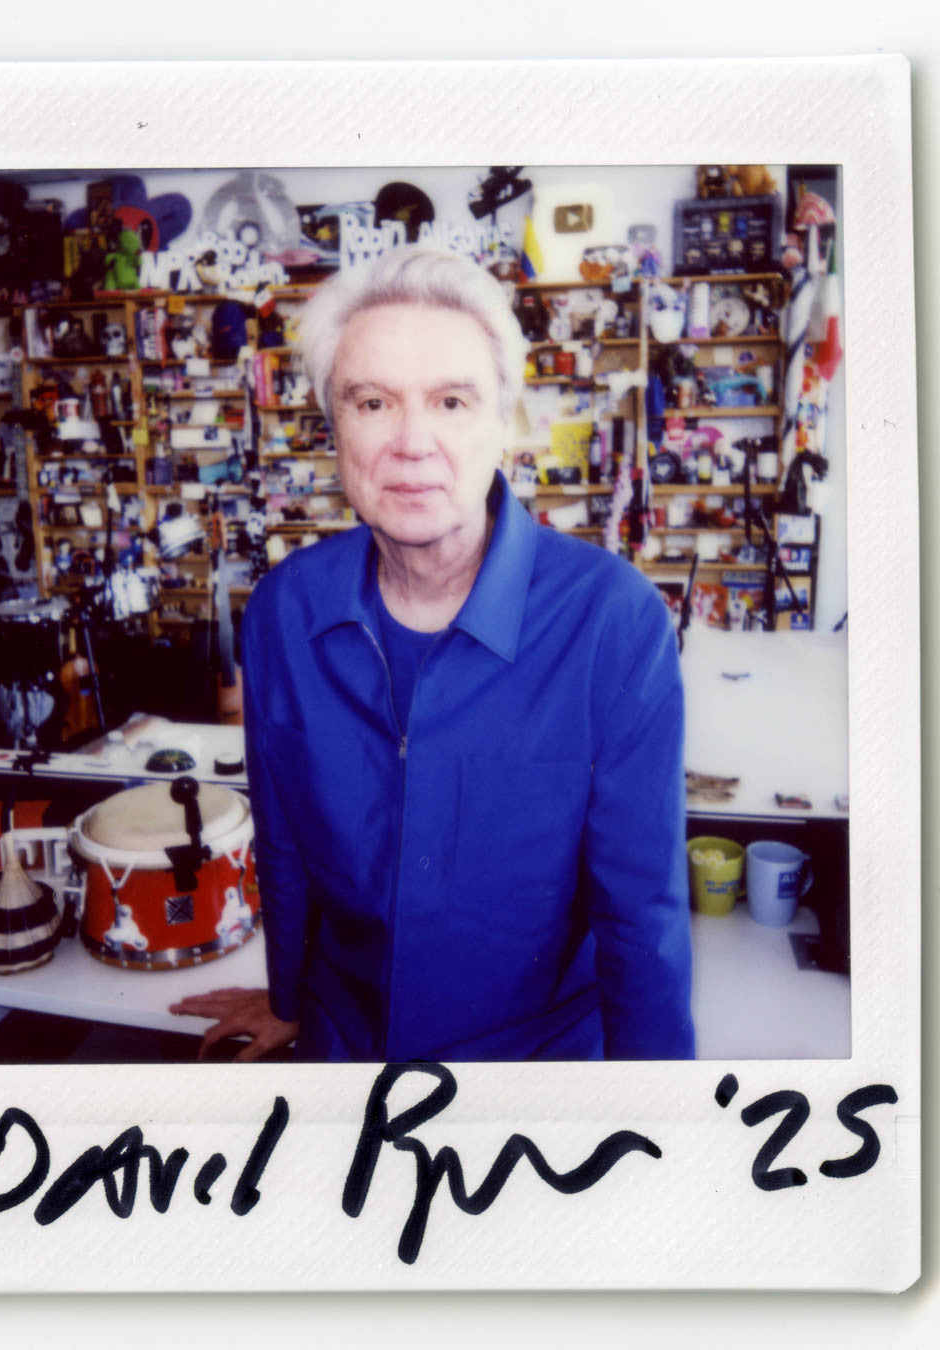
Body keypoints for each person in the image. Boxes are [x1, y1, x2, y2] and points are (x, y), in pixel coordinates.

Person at [171, 245, 694, 1063]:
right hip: (345, 1051)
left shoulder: (613, 623)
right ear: (332, 425)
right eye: (373, 402)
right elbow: (282, 848)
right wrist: (287, 997)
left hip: (531, 1073)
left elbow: (642, 921)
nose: (412, 443)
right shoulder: (282, 610)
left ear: (503, 422)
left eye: (452, 401)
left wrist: (659, 1125)